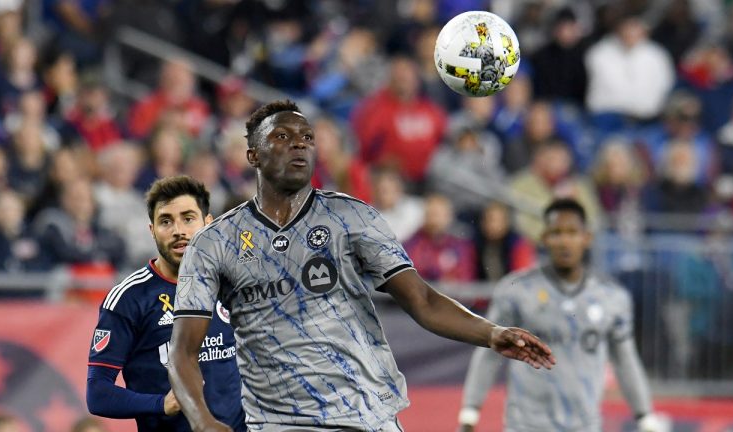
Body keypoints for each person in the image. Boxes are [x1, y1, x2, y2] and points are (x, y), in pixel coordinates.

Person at [167, 100, 555, 432]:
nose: (299, 145)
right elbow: (183, 350)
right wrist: (203, 422)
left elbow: (421, 299)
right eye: (282, 137)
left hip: (366, 414)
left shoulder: (352, 218)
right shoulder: (214, 242)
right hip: (277, 422)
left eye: (306, 138)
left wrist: (491, 333)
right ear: (252, 154)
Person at [457, 198, 664, 432]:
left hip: (584, 425)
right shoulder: (516, 289)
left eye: (572, 232)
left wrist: (644, 415)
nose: (565, 241)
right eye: (556, 233)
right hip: (525, 424)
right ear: (544, 238)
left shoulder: (612, 297)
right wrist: (470, 412)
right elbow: (489, 354)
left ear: (587, 238)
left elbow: (625, 359)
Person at [86, 175, 245, 432]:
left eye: (188, 218)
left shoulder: (234, 284)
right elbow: (98, 393)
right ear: (152, 230)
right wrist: (161, 404)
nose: (178, 230)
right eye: (166, 221)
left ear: (209, 223)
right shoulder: (128, 298)